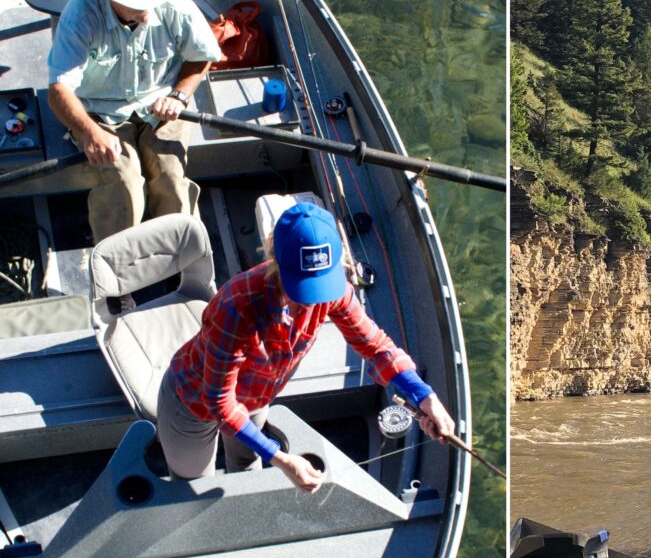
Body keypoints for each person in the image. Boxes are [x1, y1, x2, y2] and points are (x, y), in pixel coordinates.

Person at [160, 202, 454, 488]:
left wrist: (425, 397)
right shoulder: (236, 307)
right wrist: (282, 459)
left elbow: (375, 346)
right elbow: (219, 402)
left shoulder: (334, 289)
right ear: (275, 260)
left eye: (320, 285)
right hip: (193, 401)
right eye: (301, 286)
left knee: (248, 473)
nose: (311, 301)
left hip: (254, 398)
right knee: (192, 489)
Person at [43, 0, 221, 244]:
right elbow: (59, 91)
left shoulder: (175, 4)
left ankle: (184, 259)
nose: (148, 10)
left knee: (172, 179)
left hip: (162, 104)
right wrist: (89, 133)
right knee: (123, 183)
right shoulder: (80, 16)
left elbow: (201, 56)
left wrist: (178, 95)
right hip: (101, 113)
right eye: (139, 3)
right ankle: (116, 275)